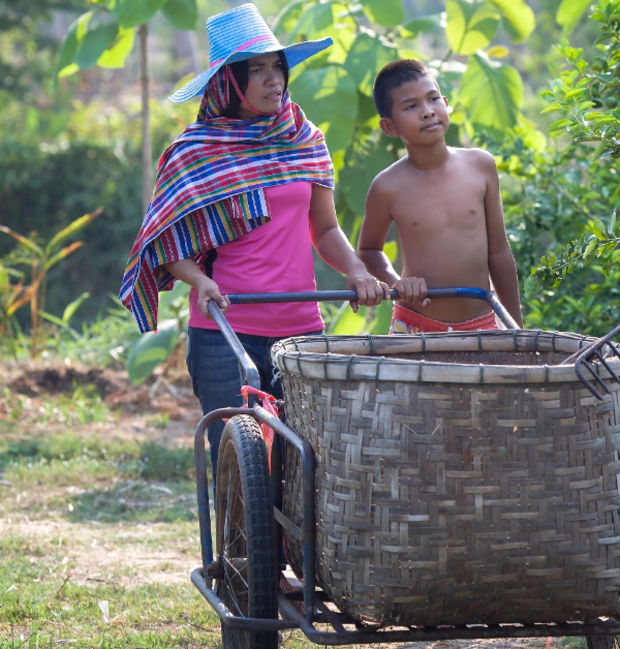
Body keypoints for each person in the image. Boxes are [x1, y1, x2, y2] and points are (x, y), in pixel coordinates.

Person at [117, 3, 387, 472]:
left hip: (302, 327)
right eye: (257, 69)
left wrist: (357, 270)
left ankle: (290, 551)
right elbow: (167, 242)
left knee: (303, 466)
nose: (273, 79)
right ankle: (243, 547)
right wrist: (198, 281)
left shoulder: (306, 139)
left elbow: (323, 230)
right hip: (225, 331)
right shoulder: (196, 151)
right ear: (230, 83)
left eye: (277, 67)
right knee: (238, 470)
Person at [357, 59, 524, 333]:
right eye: (411, 106)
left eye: (433, 99)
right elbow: (368, 250)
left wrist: (517, 329)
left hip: (484, 324)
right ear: (389, 127)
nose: (427, 112)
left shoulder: (481, 166)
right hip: (416, 327)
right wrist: (395, 280)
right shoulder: (387, 186)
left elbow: (499, 251)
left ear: (445, 103)